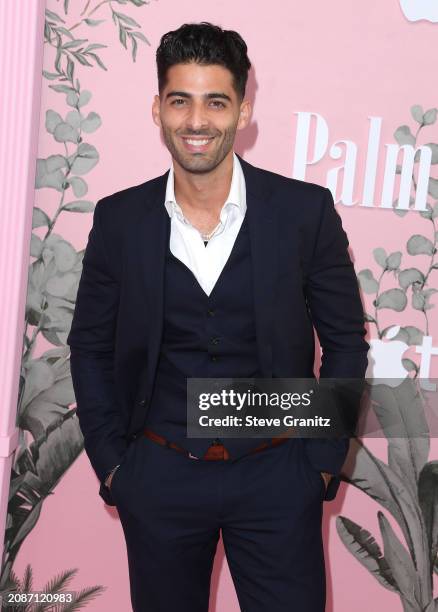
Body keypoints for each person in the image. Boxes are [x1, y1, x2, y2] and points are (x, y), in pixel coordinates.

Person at [67, 21, 369, 612]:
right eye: (180, 101)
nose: (197, 121)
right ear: (158, 109)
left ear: (243, 109)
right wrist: (115, 467)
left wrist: (319, 466)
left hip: (280, 474)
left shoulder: (303, 213)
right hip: (158, 476)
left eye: (215, 101)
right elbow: (90, 347)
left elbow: (346, 342)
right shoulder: (120, 220)